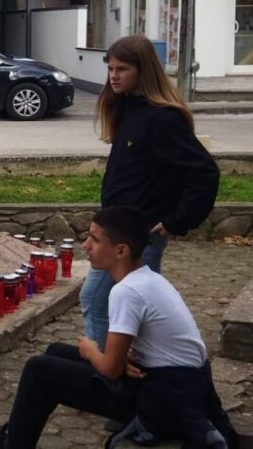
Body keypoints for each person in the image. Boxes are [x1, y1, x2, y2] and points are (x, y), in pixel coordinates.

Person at [0, 206, 237, 449]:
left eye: (95, 239)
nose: (85, 245)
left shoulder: (127, 291)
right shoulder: (148, 278)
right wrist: (130, 357)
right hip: (171, 380)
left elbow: (109, 369)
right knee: (55, 351)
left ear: (121, 250)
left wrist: (89, 350)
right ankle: (9, 437)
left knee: (38, 370)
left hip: (163, 399)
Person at [82, 34, 219, 348]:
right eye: (111, 68)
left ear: (143, 71)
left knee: (99, 300)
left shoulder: (161, 118)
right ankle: (123, 373)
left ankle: (107, 377)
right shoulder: (128, 109)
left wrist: (177, 220)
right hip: (118, 230)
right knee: (123, 308)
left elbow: (204, 171)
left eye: (122, 69)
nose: (114, 76)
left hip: (141, 235)